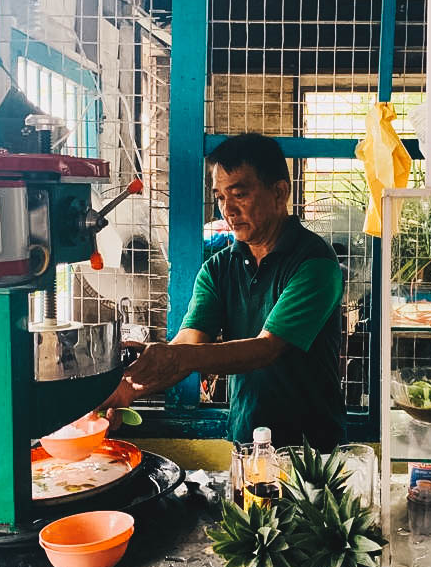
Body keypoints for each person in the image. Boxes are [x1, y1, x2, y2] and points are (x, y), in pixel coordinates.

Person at [99, 133, 346, 451]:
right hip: (249, 440)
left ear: (279, 192)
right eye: (219, 197)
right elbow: (190, 341)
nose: (227, 210)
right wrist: (129, 388)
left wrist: (175, 357)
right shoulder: (218, 268)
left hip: (313, 446)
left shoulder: (315, 263)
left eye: (239, 194)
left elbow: (266, 349)